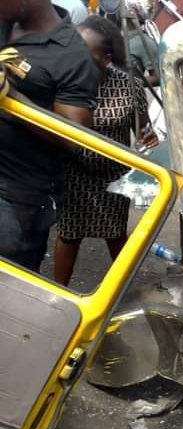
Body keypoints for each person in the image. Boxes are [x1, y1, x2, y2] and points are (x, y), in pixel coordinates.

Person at [54, 15, 157, 286]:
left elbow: (144, 131)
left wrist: (151, 166)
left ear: (107, 57)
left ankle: (123, 291)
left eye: (84, 53)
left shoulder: (128, 85)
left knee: (115, 233)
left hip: (115, 175)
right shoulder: (64, 83)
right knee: (69, 234)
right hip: (74, 173)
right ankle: (58, 293)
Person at [0, 0, 100, 271]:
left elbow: (73, 134)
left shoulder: (71, 54)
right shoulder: (6, 21)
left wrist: (11, 94)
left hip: (16, 200)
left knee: (10, 297)